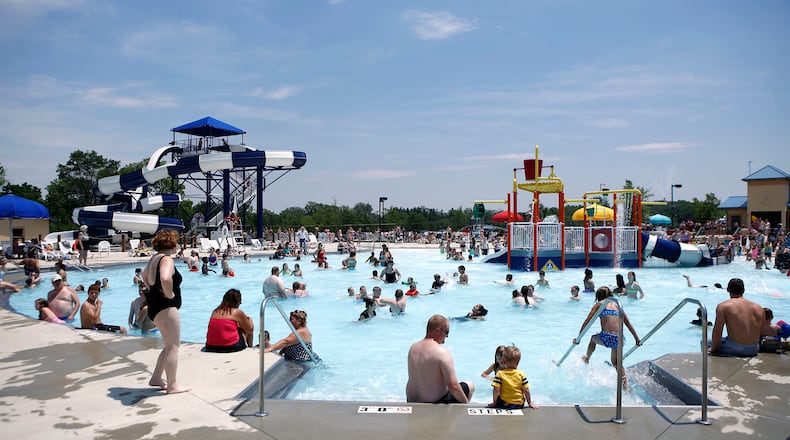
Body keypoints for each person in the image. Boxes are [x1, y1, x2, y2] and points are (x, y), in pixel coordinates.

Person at [141, 229, 189, 394]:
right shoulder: (167, 259)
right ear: (172, 243)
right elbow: (165, 278)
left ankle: (156, 377)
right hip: (165, 307)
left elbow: (144, 275)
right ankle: (173, 385)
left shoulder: (154, 258)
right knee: (174, 346)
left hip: (155, 307)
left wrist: (152, 290)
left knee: (169, 345)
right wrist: (170, 294)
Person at [574, 286, 641, 390]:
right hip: (619, 340)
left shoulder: (599, 305)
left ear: (599, 296)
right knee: (617, 363)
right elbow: (628, 324)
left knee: (593, 338)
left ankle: (587, 358)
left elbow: (587, 321)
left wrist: (579, 337)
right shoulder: (618, 306)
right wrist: (637, 339)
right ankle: (625, 385)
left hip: (607, 338)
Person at [406, 315, 474, 403]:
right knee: (470, 385)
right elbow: (454, 386)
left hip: (412, 400)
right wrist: (466, 406)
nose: (447, 337)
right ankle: (458, 415)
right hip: (434, 403)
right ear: (438, 331)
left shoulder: (413, 348)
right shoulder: (441, 352)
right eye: (447, 332)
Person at [708, 278, 764, 357]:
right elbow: (762, 331)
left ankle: (712, 366)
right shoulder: (758, 307)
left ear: (727, 290)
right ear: (743, 290)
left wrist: (712, 349)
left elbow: (717, 331)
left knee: (706, 342)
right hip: (754, 348)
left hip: (736, 348)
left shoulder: (724, 306)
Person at [488, 345, 538, 409]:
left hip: (504, 404)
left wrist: (494, 402)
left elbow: (496, 389)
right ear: (518, 362)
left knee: (499, 397)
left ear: (503, 361)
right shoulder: (521, 374)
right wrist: (530, 403)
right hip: (519, 404)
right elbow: (526, 390)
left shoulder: (500, 374)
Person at [205, 289, 254, 353]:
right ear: (236, 301)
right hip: (230, 347)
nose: (241, 302)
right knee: (249, 320)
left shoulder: (215, 311)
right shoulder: (237, 312)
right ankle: (250, 348)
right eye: (240, 300)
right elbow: (249, 329)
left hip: (210, 346)